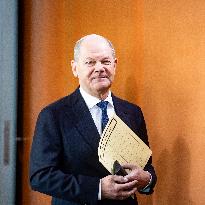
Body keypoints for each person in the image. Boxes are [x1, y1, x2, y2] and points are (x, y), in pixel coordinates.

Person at [29, 34, 157, 205]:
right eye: (90, 62)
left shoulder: (133, 112)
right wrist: (97, 189)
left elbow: (146, 166)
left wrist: (147, 179)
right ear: (75, 68)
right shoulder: (54, 115)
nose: (99, 68)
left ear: (115, 65)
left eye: (105, 61)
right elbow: (40, 176)